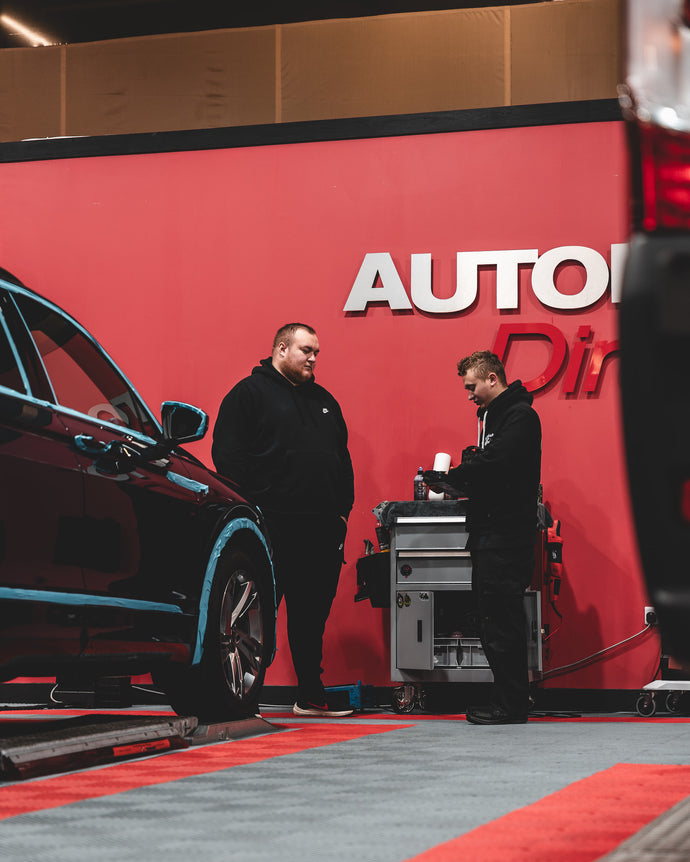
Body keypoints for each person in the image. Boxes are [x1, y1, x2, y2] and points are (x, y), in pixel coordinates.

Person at [212, 323, 355, 717]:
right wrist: (251, 517)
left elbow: (342, 462)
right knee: (253, 618)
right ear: (280, 348)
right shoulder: (247, 395)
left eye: (316, 352)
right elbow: (228, 460)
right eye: (306, 350)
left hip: (322, 530)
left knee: (312, 620)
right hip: (269, 528)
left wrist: (342, 515)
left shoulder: (325, 401)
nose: (313, 358)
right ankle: (245, 699)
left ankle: (311, 694)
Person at [425, 350, 541, 725]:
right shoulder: (496, 419)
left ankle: (510, 705)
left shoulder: (520, 417)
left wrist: (454, 477)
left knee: (501, 620)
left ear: (493, 378)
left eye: (472, 386)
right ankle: (508, 699)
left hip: (505, 536)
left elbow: (497, 465)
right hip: (493, 533)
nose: (469, 394)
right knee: (494, 619)